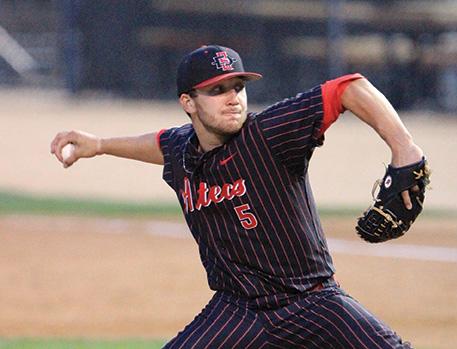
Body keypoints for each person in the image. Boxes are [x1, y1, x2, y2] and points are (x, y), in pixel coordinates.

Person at [51, 45, 423, 348]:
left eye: (238, 87)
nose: (233, 99)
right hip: (238, 311)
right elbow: (160, 143)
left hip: (312, 302)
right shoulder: (183, 149)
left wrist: (405, 150)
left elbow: (349, 87)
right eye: (217, 90)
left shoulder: (268, 134)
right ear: (188, 102)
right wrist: (98, 145)